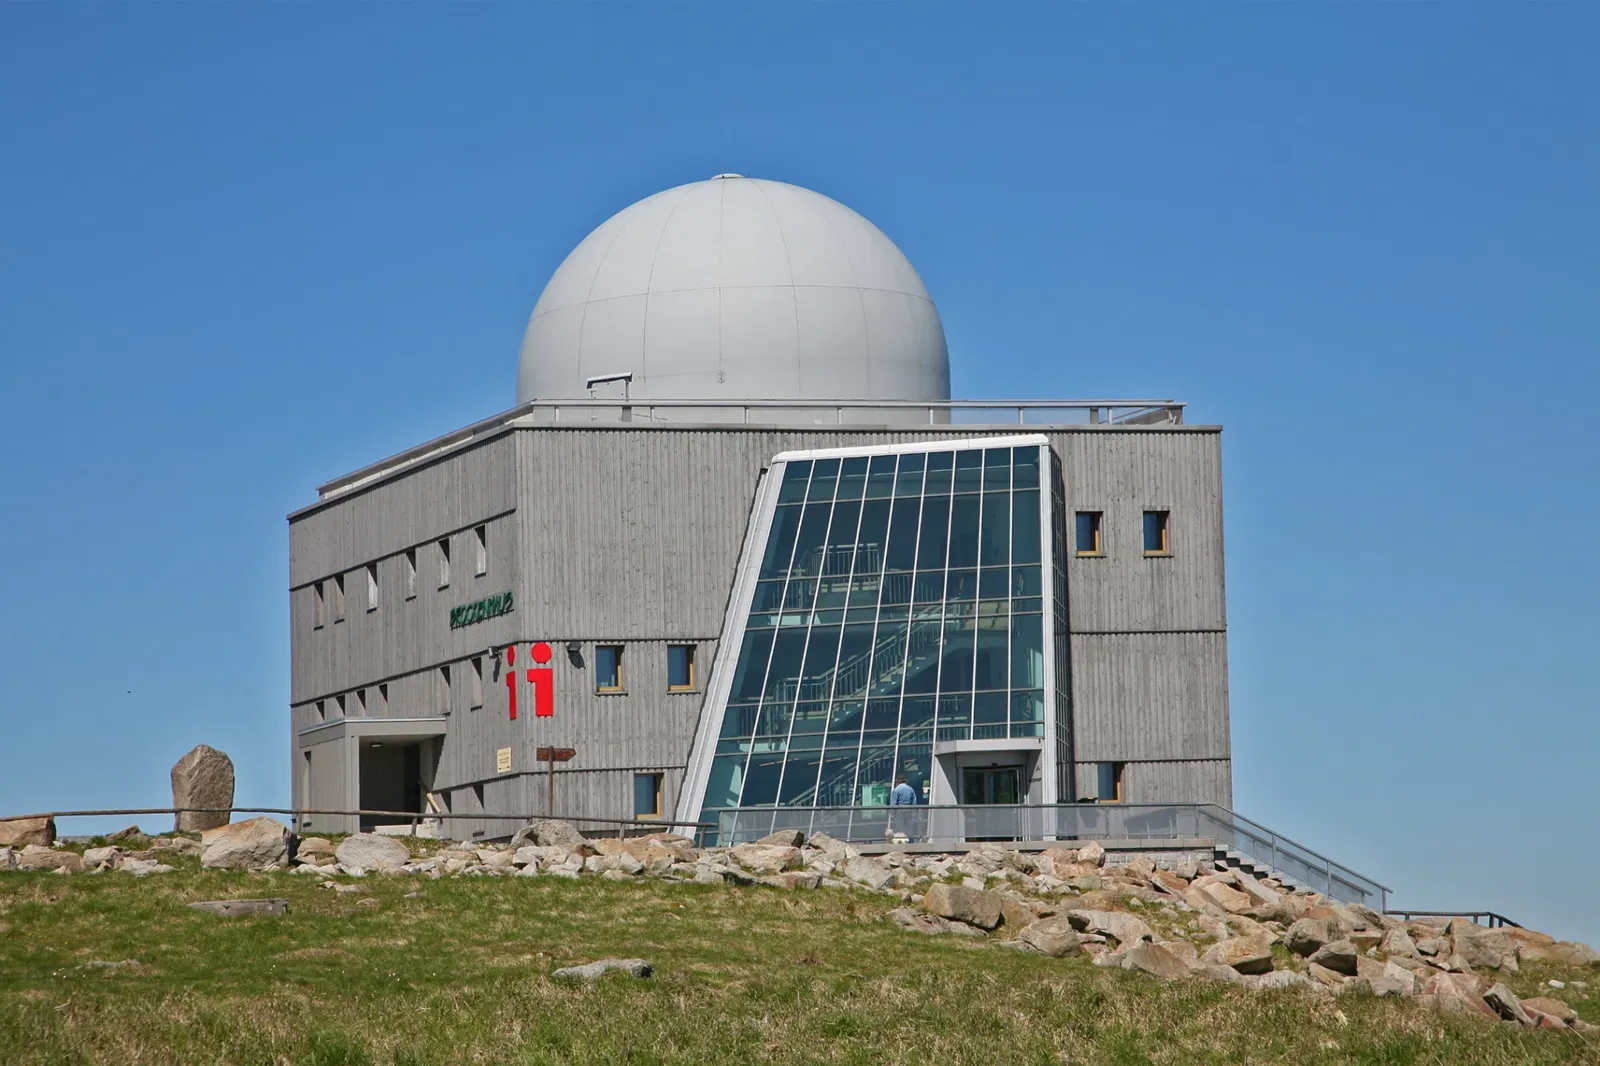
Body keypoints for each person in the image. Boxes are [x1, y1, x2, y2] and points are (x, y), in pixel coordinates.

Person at [889, 775, 919, 843]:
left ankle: (900, 841)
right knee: (909, 827)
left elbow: (894, 803)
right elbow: (914, 802)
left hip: (900, 811)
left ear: (897, 782)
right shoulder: (910, 789)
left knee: (900, 827)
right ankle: (910, 841)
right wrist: (914, 813)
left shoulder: (896, 790)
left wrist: (892, 813)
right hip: (909, 810)